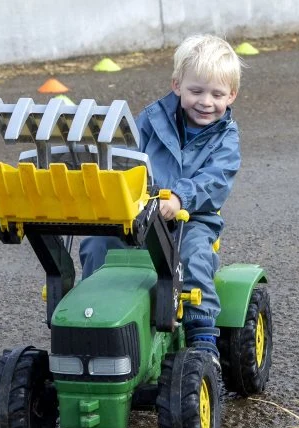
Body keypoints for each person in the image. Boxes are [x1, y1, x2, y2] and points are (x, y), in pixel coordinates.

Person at [79, 34, 242, 361]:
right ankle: (93, 316)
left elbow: (216, 180)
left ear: (232, 95)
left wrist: (180, 198)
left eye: (217, 94)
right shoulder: (151, 120)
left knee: (194, 257)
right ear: (177, 85)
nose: (206, 102)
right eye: (196, 91)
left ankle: (202, 336)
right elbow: (126, 157)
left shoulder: (226, 139)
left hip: (192, 219)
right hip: (142, 212)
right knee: (98, 242)